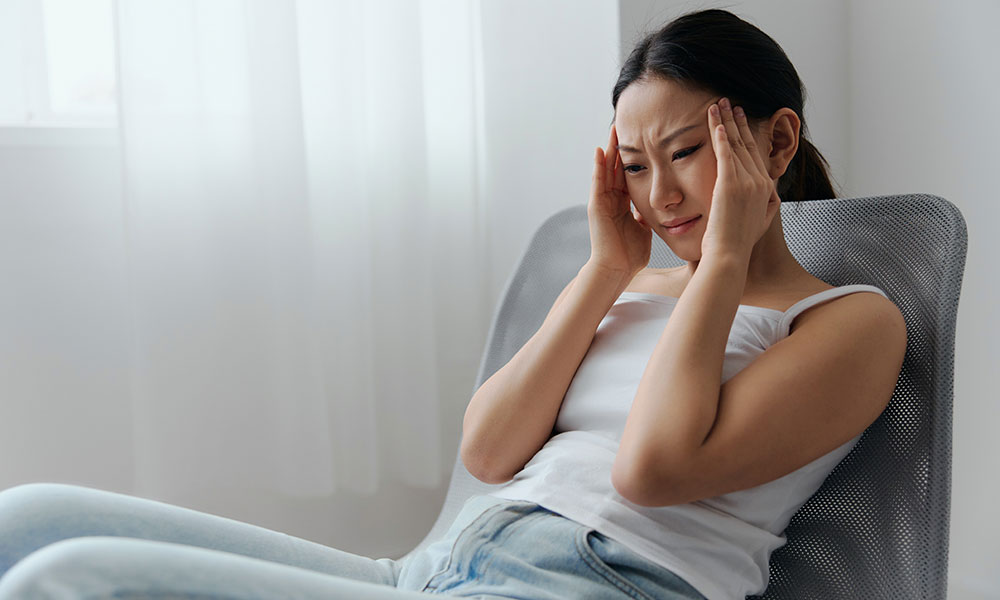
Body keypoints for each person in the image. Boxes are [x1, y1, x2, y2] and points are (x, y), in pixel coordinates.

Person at [0, 8, 906, 600]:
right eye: (635, 166)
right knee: (27, 519)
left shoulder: (850, 323)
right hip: (440, 567)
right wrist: (602, 274)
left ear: (777, 138)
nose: (661, 194)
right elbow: (489, 449)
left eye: (686, 152)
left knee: (76, 580)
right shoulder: (633, 282)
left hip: (592, 585)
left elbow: (652, 471)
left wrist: (719, 265)